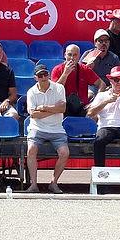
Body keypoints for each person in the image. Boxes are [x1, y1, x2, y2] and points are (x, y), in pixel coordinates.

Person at [24, 64, 69, 194]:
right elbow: (33, 114)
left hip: (57, 129)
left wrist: (43, 107)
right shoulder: (31, 92)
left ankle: (54, 183)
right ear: (35, 77)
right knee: (31, 150)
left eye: (45, 74)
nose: (43, 77)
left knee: (65, 153)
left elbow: (63, 109)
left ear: (49, 74)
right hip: (37, 128)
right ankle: (33, 184)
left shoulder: (59, 87)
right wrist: (54, 109)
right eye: (40, 75)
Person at [51, 44, 104, 116]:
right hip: (63, 108)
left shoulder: (85, 69)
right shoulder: (57, 69)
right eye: (69, 55)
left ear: (79, 56)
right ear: (65, 55)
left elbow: (102, 84)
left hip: (82, 107)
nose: (72, 58)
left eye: (75, 55)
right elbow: (55, 91)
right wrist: (65, 74)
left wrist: (95, 102)